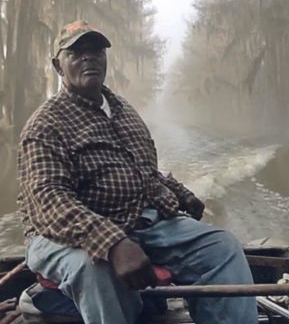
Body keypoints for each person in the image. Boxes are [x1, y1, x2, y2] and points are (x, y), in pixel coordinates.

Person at [17, 20, 258, 324]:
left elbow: (144, 170)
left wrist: (182, 194)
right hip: (60, 235)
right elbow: (49, 201)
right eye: (76, 53)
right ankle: (54, 298)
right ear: (58, 65)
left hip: (137, 221)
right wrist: (114, 243)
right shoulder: (45, 125)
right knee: (96, 268)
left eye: (96, 51)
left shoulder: (123, 110)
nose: (89, 57)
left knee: (221, 247)